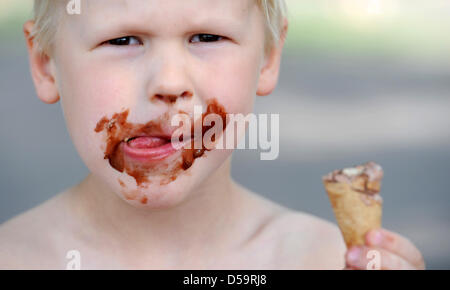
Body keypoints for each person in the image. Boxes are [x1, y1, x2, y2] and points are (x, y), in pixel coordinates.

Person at [0, 0, 425, 270]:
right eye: (123, 39)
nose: (168, 82)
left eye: (207, 37)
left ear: (268, 57)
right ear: (45, 63)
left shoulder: (327, 261)